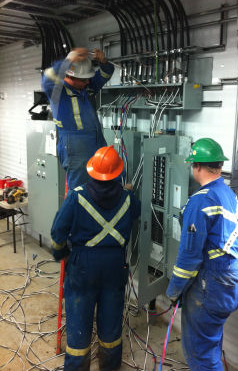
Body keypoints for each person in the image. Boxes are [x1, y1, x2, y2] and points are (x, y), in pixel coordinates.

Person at [50, 145, 141, 371]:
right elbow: (136, 213)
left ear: (92, 171)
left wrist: (61, 253)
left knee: (79, 326)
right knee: (111, 326)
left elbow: (57, 233)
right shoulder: (129, 198)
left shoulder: (77, 196)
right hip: (114, 267)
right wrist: (126, 191)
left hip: (83, 266)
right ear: (117, 173)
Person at [166, 138, 238, 371]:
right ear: (219, 166)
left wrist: (174, 291)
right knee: (211, 339)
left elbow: (189, 258)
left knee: (200, 353)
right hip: (233, 281)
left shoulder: (200, 201)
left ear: (197, 167)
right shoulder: (228, 194)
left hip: (212, 285)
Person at [42, 47, 114, 190]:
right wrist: (68, 61)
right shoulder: (58, 92)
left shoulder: (87, 87)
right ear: (70, 76)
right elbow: (46, 80)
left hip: (96, 140)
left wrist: (103, 61)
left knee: (102, 183)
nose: (88, 82)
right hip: (75, 147)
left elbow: (106, 74)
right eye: (84, 79)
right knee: (79, 190)